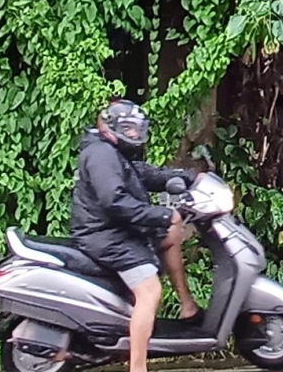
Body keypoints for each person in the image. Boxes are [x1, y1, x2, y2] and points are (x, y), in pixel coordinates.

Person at [71, 99, 200, 372]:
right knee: (150, 291)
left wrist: (190, 178)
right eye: (128, 129)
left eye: (135, 129)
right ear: (110, 128)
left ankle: (188, 306)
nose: (133, 134)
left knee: (172, 235)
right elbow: (114, 201)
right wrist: (162, 215)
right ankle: (138, 367)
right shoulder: (101, 155)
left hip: (115, 231)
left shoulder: (113, 153)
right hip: (106, 235)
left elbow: (141, 174)